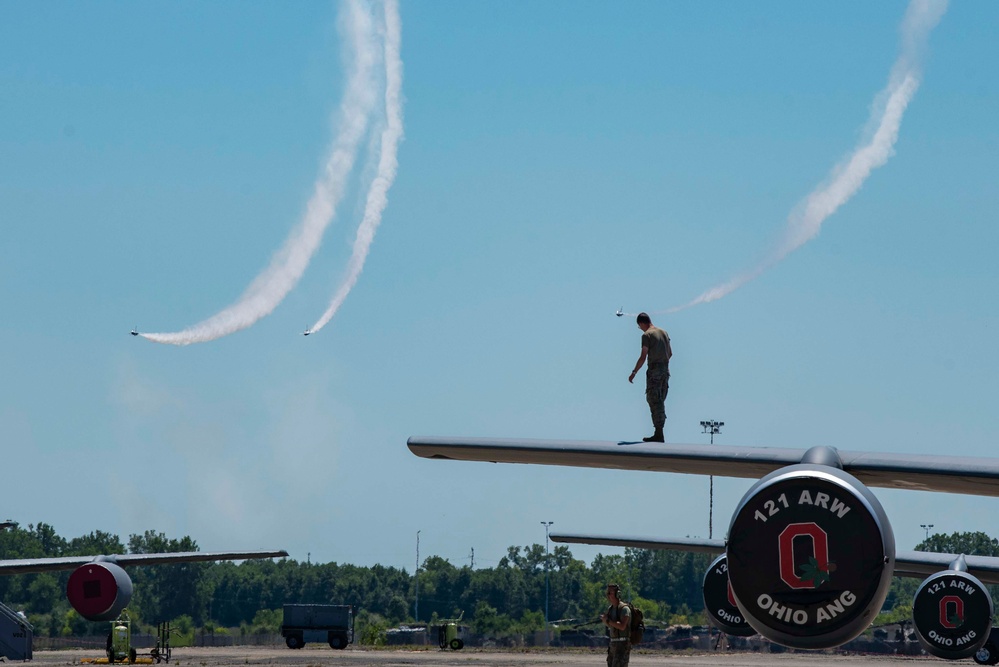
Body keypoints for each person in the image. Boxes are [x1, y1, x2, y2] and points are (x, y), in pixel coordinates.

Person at [628, 312, 672, 442]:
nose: (640, 329)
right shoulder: (664, 332)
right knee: (660, 399)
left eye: (639, 326)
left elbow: (643, 356)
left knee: (654, 399)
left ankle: (659, 433)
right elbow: (670, 353)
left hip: (654, 371)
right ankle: (659, 431)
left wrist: (634, 372)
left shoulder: (647, 335)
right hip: (665, 370)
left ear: (642, 323)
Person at [601, 583, 631, 667]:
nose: (608, 595)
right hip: (613, 644)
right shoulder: (610, 609)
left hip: (622, 644)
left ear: (617, 594)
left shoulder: (624, 609)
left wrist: (608, 620)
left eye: (610, 592)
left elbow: (622, 626)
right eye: (608, 592)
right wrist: (605, 620)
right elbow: (611, 626)